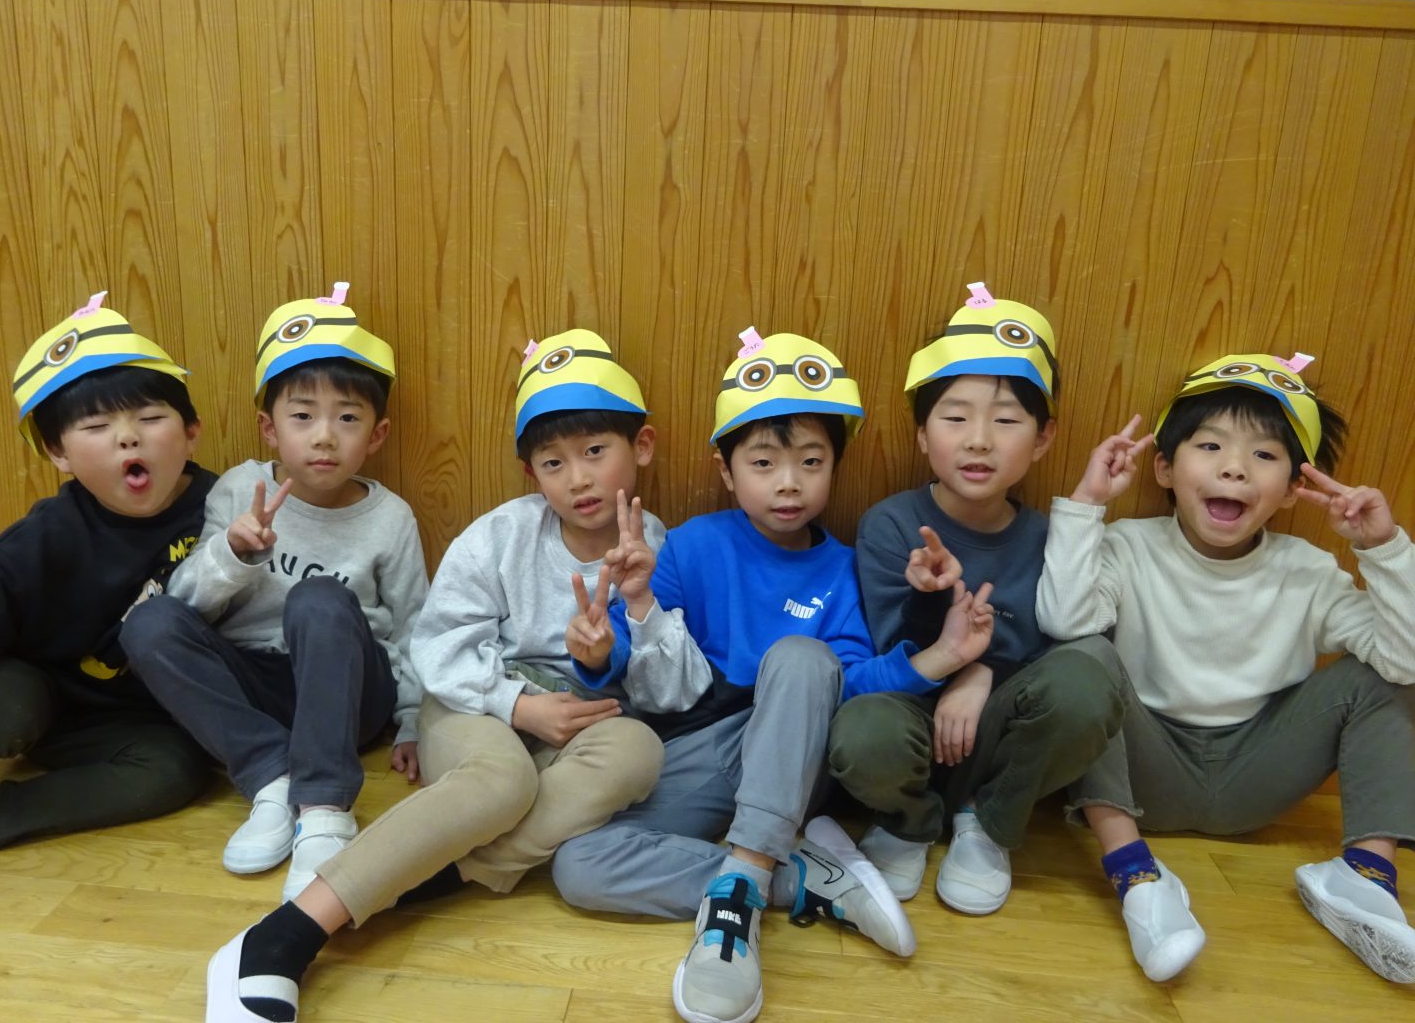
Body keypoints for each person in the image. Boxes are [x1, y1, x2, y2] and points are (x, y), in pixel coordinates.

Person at [201, 328, 667, 1023]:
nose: (578, 478)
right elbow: (438, 646)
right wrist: (516, 704)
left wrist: (637, 611)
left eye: (596, 452)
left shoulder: (661, 547)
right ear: (532, 473)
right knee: (503, 783)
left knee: (640, 751)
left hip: (580, 717)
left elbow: (668, 692)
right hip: (475, 700)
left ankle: (415, 875)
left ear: (642, 447)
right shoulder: (500, 536)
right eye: (553, 462)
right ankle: (282, 935)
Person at [553, 327, 994, 1023]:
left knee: (800, 656)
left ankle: (737, 902)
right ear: (727, 471)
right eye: (763, 463)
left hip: (792, 758)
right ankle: (801, 881)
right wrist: (597, 650)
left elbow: (849, 685)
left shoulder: (839, 568)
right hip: (702, 754)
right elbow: (639, 667)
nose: (789, 482)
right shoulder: (693, 544)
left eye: (811, 462)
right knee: (576, 865)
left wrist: (941, 655)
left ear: (834, 467)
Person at [1038, 351, 1415, 983]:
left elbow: (1405, 661)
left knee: (1382, 680)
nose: (1235, 468)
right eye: (1210, 446)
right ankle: (1136, 874)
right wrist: (1087, 504)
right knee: (1083, 657)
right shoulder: (1129, 547)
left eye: (1264, 455)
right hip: (1145, 775)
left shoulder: (1307, 570)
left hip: (1257, 774)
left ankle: (1365, 876)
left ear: (1293, 489)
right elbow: (1063, 620)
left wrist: (1383, 547)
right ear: (1164, 467)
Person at [121, 283, 426, 904]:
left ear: (377, 435)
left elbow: (415, 624)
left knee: (317, 598)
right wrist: (232, 552)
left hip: (348, 693)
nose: (324, 437)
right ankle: (270, 775)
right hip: (254, 687)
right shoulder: (240, 490)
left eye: (348, 418)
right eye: (302, 416)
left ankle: (324, 807)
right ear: (269, 428)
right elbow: (187, 607)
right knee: (147, 623)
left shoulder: (390, 517)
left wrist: (417, 721)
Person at [828, 283, 1124, 920]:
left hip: (998, 743)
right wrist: (935, 614)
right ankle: (908, 822)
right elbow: (889, 657)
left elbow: (1062, 663)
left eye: (1007, 420)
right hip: (913, 725)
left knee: (1091, 671)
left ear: (1043, 438)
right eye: (955, 418)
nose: (979, 440)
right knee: (861, 730)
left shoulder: (1048, 537)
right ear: (921, 434)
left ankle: (987, 823)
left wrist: (982, 671)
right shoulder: (891, 523)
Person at [0, 291, 214, 853]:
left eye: (150, 418)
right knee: (7, 706)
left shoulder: (227, 512)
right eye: (97, 425)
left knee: (174, 771)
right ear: (58, 453)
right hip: (30, 688)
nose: (128, 436)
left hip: (126, 724)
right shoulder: (50, 533)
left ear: (191, 431)